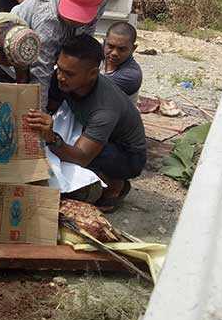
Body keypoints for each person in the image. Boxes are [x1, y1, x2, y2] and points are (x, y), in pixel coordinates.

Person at [25, 34, 147, 212]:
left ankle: (115, 184)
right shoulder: (63, 80)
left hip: (127, 155)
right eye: (59, 69)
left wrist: (51, 138)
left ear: (92, 74)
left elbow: (81, 157)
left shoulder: (105, 109)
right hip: (96, 134)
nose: (60, 76)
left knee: (76, 167)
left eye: (69, 73)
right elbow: (49, 106)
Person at [11, 0, 108, 106]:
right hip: (17, 61)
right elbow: (40, 73)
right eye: (73, 15)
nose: (77, 22)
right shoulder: (47, 20)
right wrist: (39, 113)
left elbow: (86, 36)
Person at [103, 21, 142, 101]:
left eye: (122, 49)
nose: (114, 53)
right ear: (104, 42)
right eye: (110, 46)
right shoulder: (96, 52)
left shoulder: (131, 76)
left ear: (133, 49)